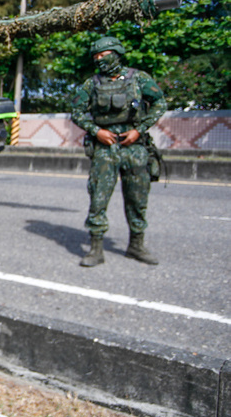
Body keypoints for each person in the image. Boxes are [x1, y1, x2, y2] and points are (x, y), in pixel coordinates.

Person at [70, 36, 167, 267]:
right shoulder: (91, 84)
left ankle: (136, 245)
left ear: (117, 53)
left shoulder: (139, 78)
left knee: (137, 198)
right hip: (105, 149)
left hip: (134, 147)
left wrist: (139, 129)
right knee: (98, 198)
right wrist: (96, 131)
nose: (100, 60)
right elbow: (77, 112)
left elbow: (159, 102)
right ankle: (95, 249)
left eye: (104, 55)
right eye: (96, 57)